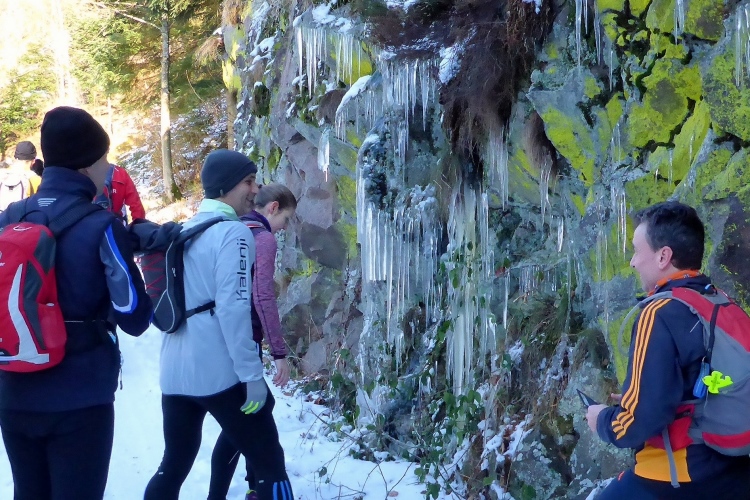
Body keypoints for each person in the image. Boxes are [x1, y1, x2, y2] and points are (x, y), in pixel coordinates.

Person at [0, 106, 153, 499]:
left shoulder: (9, 218)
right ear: (87, 165)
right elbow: (134, 317)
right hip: (81, 398)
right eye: (105, 159)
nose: (109, 168)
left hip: (14, 393)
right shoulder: (103, 225)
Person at [144, 150, 294, 500]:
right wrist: (251, 375)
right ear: (227, 186)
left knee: (173, 466)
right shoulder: (233, 233)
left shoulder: (184, 230)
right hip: (219, 372)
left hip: (174, 371)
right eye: (249, 182)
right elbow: (233, 308)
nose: (256, 190)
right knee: (270, 463)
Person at [586, 201, 750, 499]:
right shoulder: (721, 303)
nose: (633, 262)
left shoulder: (658, 312)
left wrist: (602, 420)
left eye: (637, 251)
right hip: (733, 466)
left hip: (678, 473)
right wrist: (640, 394)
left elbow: (638, 423)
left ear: (663, 256)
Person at [208, 183, 297, 500]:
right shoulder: (262, 238)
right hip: (244, 339)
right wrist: (279, 352)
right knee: (252, 415)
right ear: (273, 208)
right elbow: (263, 297)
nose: (284, 228)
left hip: (216, 337)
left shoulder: (230, 227)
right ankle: (251, 489)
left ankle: (252, 486)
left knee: (245, 417)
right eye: (285, 219)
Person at [0, 141, 36, 209]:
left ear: (15, 157)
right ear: (33, 161)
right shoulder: (35, 179)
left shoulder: (2, 175)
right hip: (22, 215)